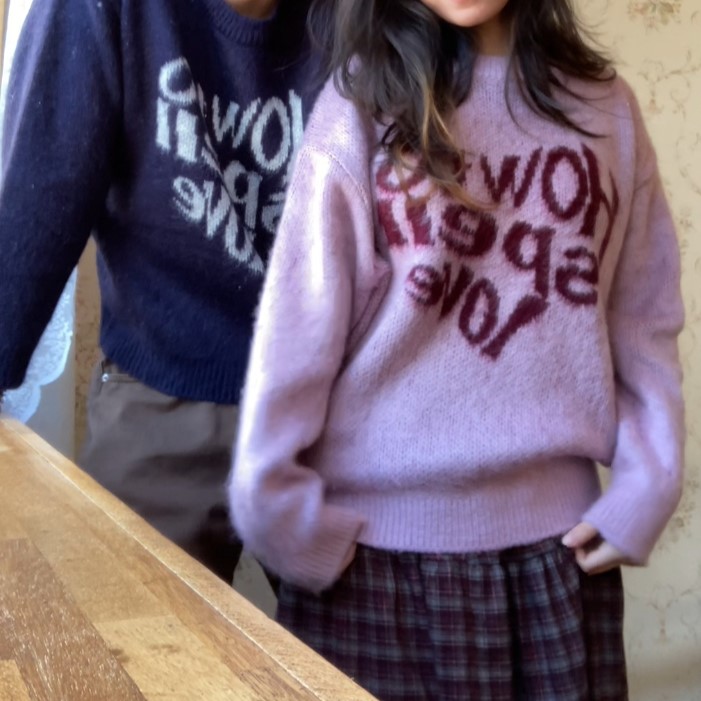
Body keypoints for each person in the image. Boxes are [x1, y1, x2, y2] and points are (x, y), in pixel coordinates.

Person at [229, 0, 686, 698]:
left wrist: (649, 482)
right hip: (373, 570)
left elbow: (643, 314)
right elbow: (299, 320)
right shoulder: (360, 106)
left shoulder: (607, 110)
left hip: (557, 565)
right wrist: (273, 505)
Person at [0, 0, 319, 582]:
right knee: (115, 621)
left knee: (366, 638)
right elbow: (31, 214)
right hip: (159, 390)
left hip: (330, 399)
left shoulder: (369, 17)